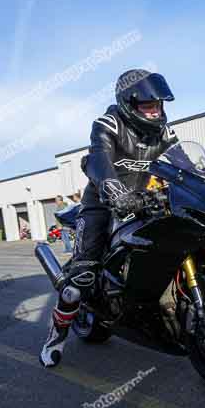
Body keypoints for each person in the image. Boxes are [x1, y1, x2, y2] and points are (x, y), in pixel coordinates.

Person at [40, 69, 178, 367]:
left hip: (142, 200)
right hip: (102, 201)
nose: (155, 111)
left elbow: (183, 163)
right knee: (80, 280)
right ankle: (55, 337)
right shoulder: (108, 124)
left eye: (158, 105)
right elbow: (99, 159)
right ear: (129, 103)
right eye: (148, 106)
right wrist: (114, 191)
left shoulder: (164, 132)